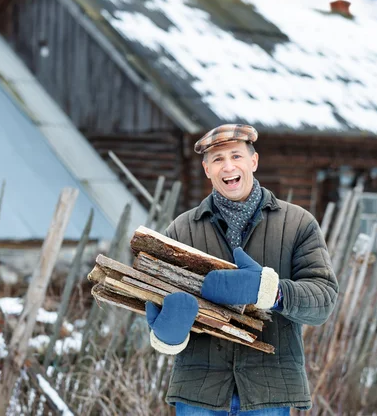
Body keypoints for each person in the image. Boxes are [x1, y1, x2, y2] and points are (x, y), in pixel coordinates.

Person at [144, 124, 339, 414]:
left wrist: (269, 291)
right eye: (218, 159)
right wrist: (168, 333)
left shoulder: (298, 224)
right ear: (206, 169)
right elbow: (158, 301)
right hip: (199, 392)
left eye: (236, 156)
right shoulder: (181, 230)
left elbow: (323, 300)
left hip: (268, 391)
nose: (228, 167)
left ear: (253, 161)